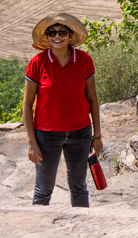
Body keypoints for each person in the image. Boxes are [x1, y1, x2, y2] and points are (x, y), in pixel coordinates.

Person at [23, 12, 103, 207]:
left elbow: (92, 99)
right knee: (43, 190)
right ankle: (39, 234)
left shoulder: (84, 60)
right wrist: (32, 142)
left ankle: (82, 232)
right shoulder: (37, 62)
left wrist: (97, 136)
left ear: (70, 36)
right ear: (47, 37)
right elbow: (27, 104)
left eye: (61, 32)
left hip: (80, 133)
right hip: (46, 135)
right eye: (52, 33)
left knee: (79, 188)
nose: (57, 36)